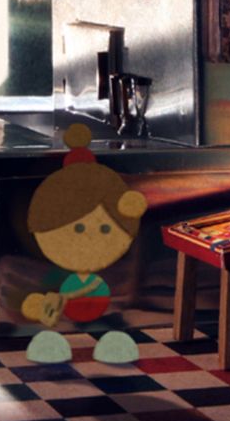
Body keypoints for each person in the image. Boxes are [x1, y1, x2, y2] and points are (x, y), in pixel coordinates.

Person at [20, 124, 149, 363]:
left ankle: (106, 342)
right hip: (74, 312)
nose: (87, 238)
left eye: (104, 228)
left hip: (98, 309)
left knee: (105, 326)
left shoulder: (99, 280)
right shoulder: (65, 274)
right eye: (77, 228)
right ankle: (61, 342)